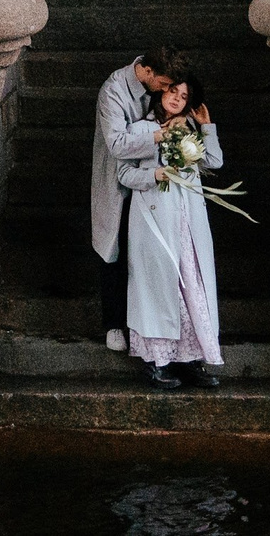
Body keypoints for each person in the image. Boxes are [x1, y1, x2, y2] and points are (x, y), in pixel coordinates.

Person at [117, 71, 224, 389]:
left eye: (184, 96)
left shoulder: (190, 130)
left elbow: (214, 162)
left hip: (187, 221)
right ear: (161, 92)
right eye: (173, 92)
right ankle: (156, 363)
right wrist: (156, 175)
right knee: (158, 287)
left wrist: (207, 127)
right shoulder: (141, 129)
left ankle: (189, 360)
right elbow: (124, 172)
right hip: (153, 218)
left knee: (191, 286)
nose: (176, 99)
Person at [89, 45, 185, 354]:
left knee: (143, 254)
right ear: (146, 71)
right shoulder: (113, 91)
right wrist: (158, 135)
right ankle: (114, 324)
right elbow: (117, 144)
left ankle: (144, 325)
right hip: (119, 178)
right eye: (163, 84)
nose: (165, 90)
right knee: (113, 249)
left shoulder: (157, 86)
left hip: (153, 181)